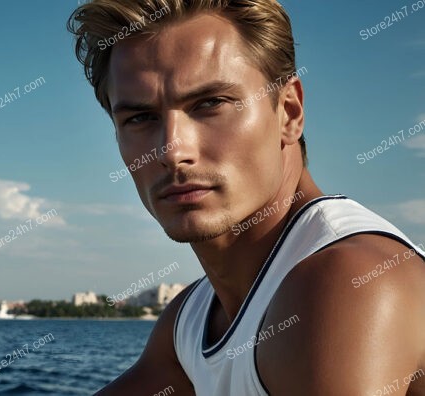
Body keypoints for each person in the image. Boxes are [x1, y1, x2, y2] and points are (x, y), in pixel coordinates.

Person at [67, 1, 425, 394]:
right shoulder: (193, 320)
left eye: (210, 104)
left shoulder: (348, 280)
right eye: (139, 118)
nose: (171, 150)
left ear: (288, 112)